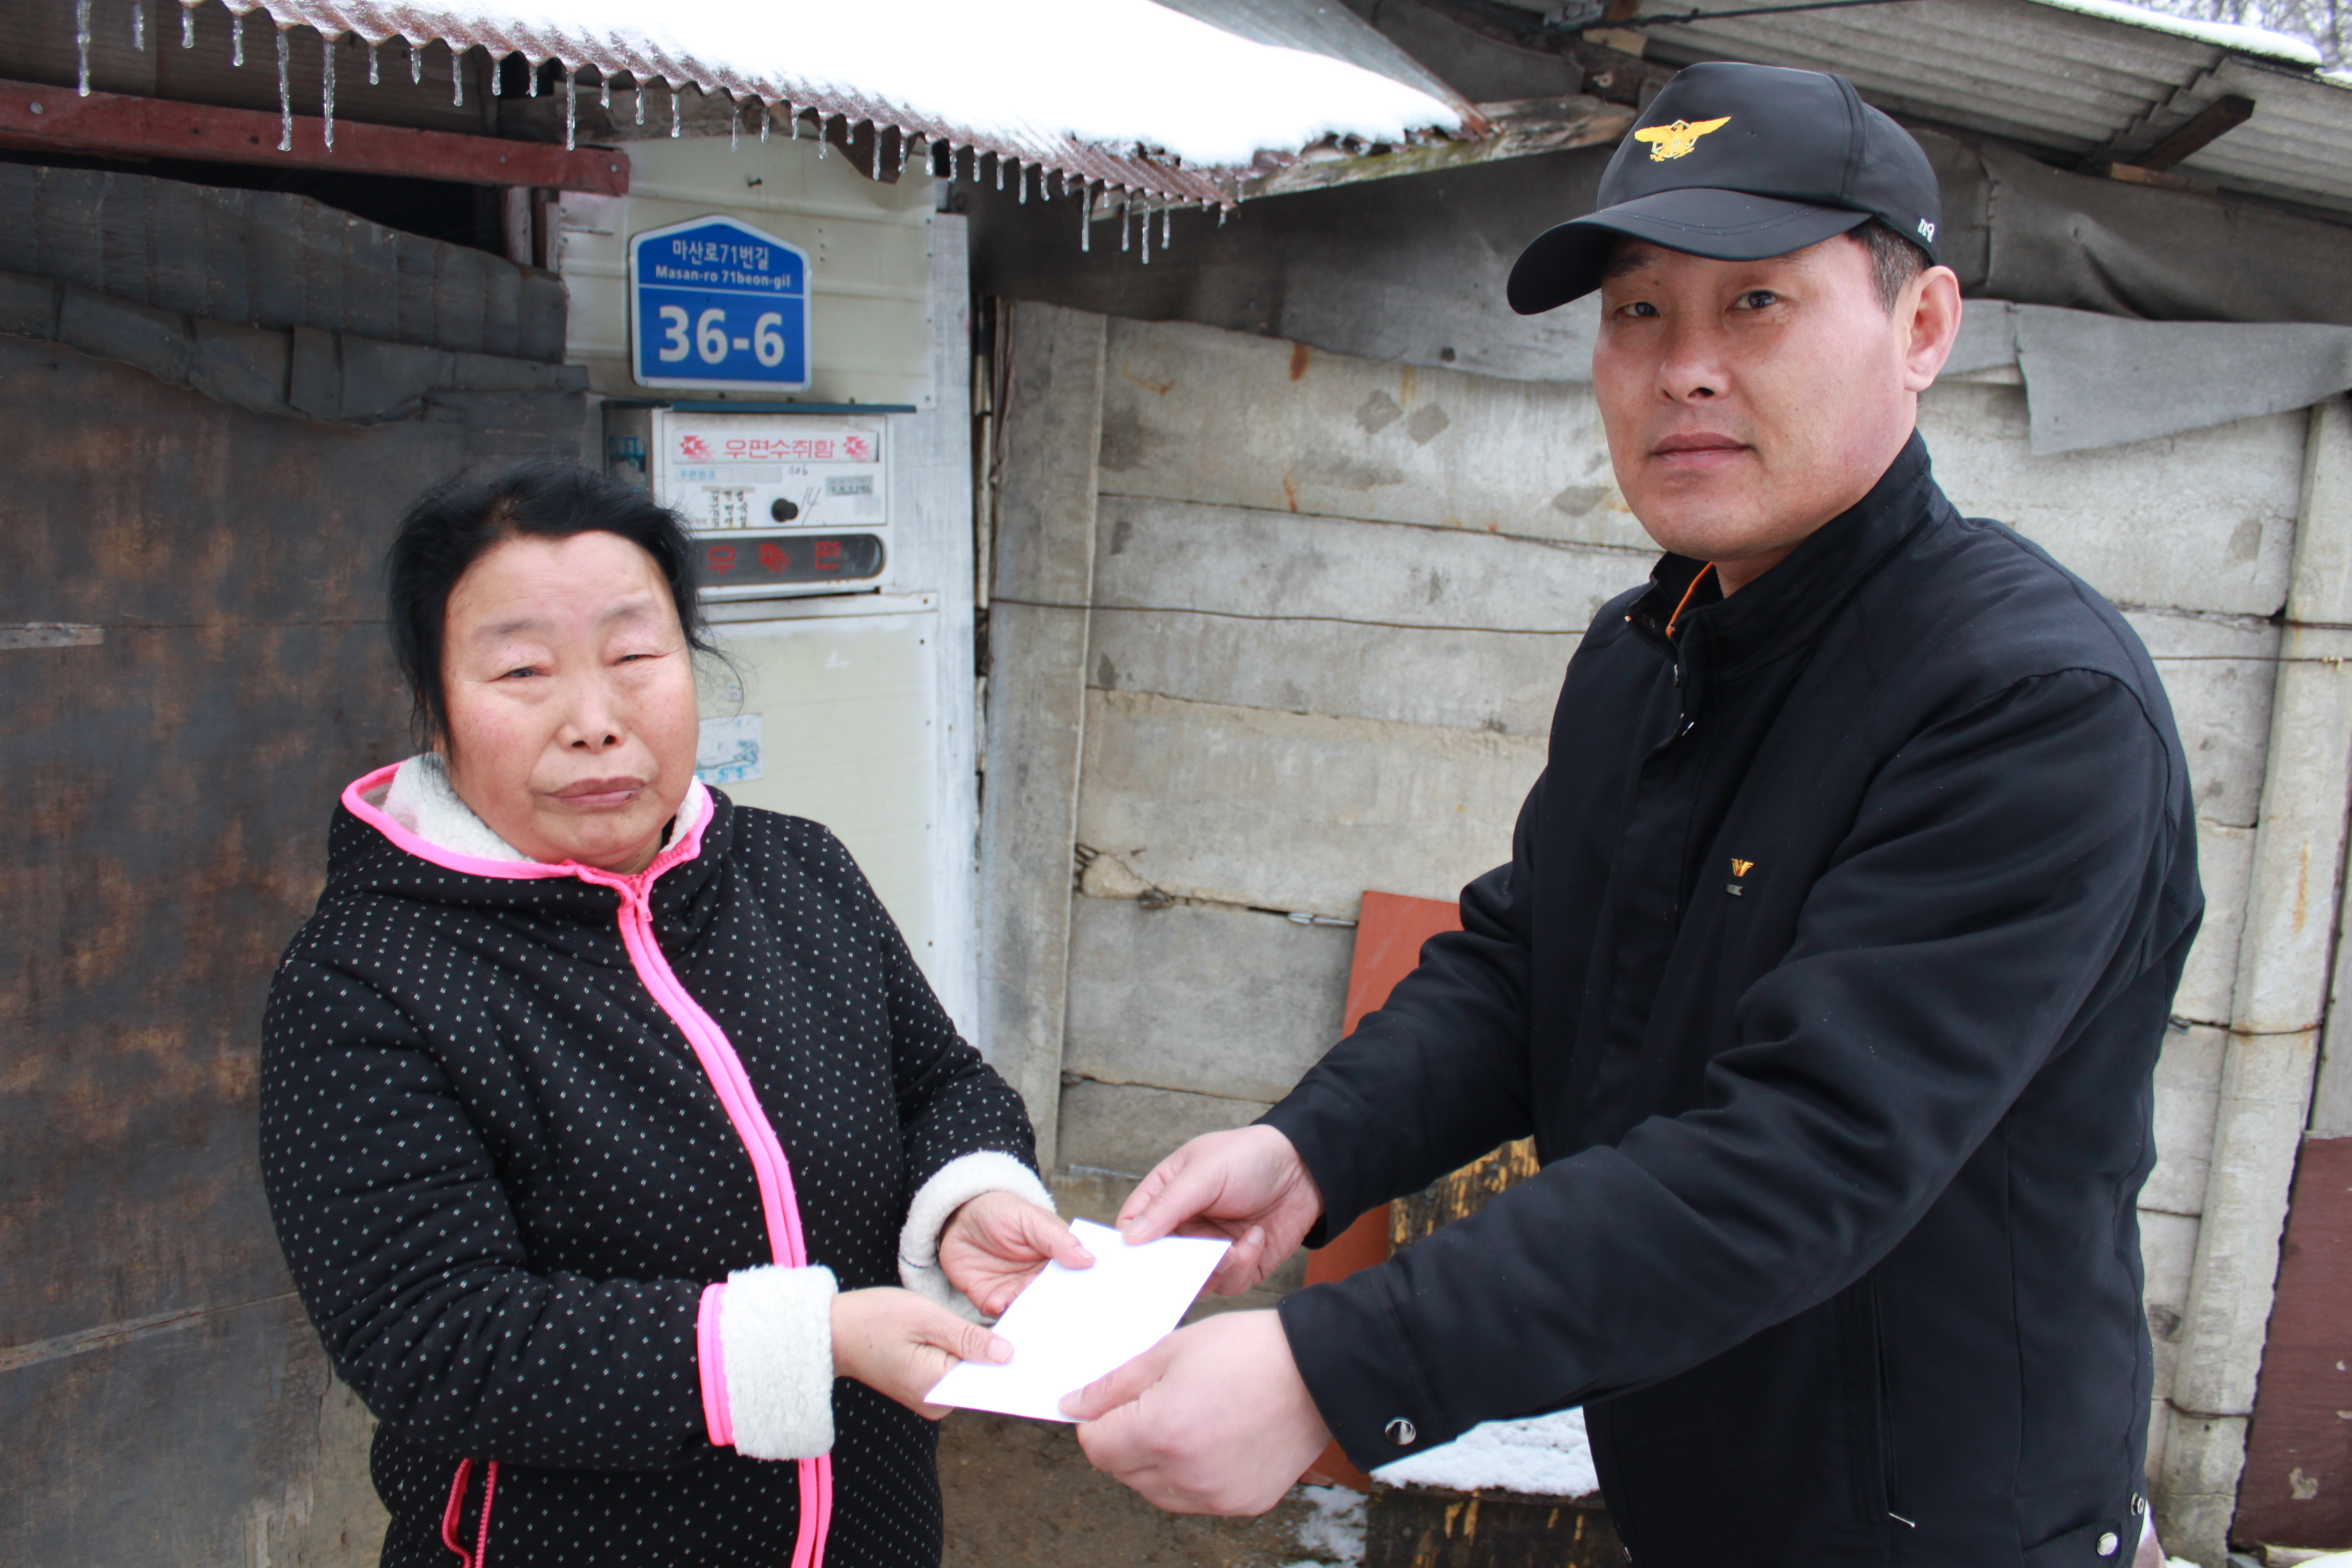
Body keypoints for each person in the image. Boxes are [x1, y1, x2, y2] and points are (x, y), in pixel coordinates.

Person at [1063, 62, 2199, 1568]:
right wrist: (1313, 1148)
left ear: (1922, 327)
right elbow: (1532, 966)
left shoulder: (2030, 703)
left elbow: (1808, 1150)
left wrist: (1337, 1367)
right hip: (1692, 1494)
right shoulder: (1648, 650)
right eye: (1638, 310)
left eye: (1757, 303)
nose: (1683, 369)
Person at [259, 462, 1088, 1567]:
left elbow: (941, 1082)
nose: (595, 722)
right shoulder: (365, 977)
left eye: (634, 656)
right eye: (521, 670)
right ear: (438, 707)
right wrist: (810, 1343)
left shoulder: (798, 870)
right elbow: (434, 1340)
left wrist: (966, 1200)